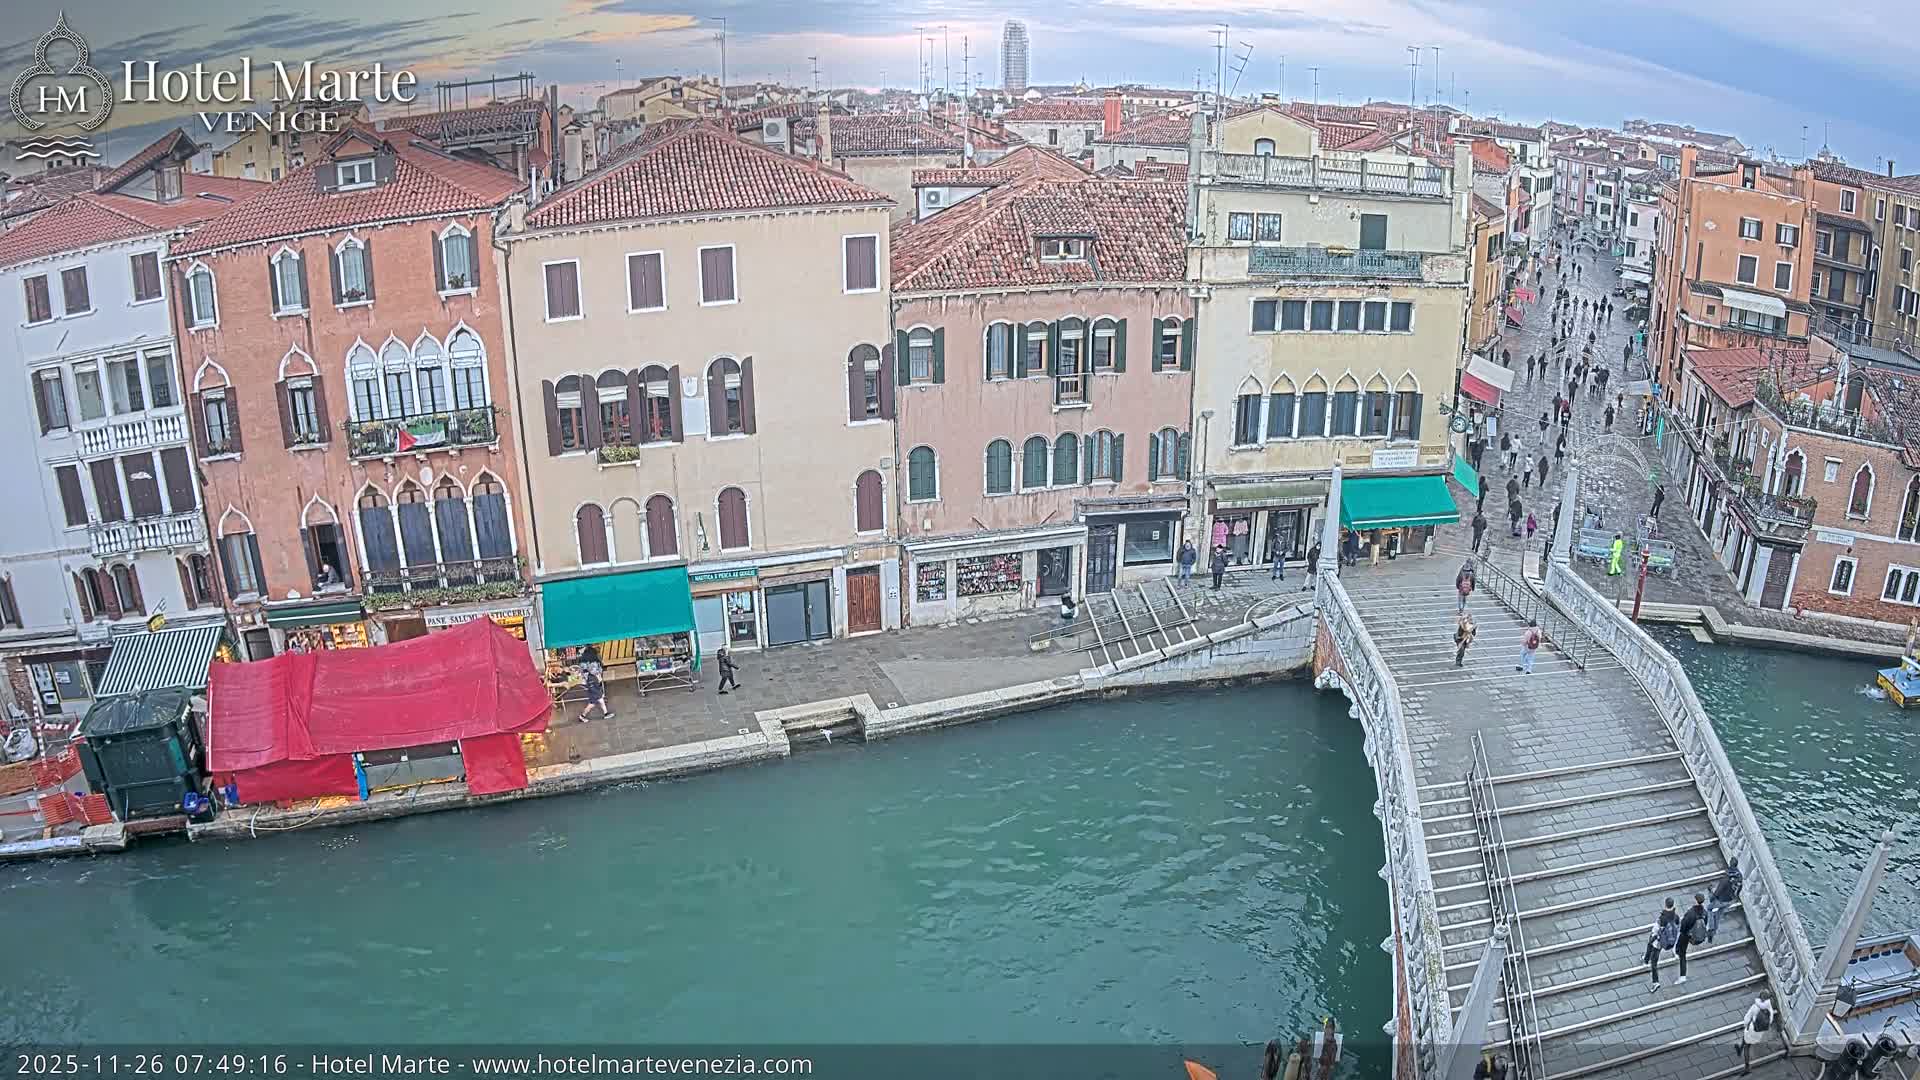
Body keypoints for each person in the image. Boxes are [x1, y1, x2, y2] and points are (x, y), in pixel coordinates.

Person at [1647, 897, 1681, 991]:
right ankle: (1646, 958)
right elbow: (1677, 929)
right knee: (1650, 947)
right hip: (1669, 941)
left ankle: (1655, 982)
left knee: (1654, 962)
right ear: (1673, 905)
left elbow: (1655, 930)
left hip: (1659, 942)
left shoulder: (1662, 918)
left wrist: (1653, 937)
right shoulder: (1676, 917)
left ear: (1665, 904)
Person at [1707, 858, 1743, 944]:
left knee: (1709, 909)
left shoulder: (1726, 879)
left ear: (1730, 863)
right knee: (1718, 915)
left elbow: (1718, 892)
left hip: (1721, 900)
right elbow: (1740, 887)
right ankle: (1712, 932)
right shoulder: (1739, 876)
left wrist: (1711, 894)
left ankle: (1711, 929)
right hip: (1730, 900)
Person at [1676, 893, 1708, 984]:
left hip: (1686, 935)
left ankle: (1683, 975)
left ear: (1695, 900)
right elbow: (1705, 923)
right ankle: (1677, 952)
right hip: (1694, 936)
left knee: (1682, 953)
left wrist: (1683, 932)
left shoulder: (1691, 913)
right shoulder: (1704, 912)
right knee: (1681, 949)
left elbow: (1684, 925)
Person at [1736, 995, 1772, 1074]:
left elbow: (1747, 1017)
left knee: (1747, 1046)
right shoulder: (1769, 1009)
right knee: (1746, 1041)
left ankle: (1747, 1067)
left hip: (1751, 1030)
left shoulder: (1755, 1007)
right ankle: (1739, 1049)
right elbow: (1770, 1021)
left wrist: (1746, 1025)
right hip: (1759, 1033)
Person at [578, 644, 611, 721]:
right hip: (593, 680)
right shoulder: (593, 660)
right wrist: (599, 673)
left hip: (589, 681)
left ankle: (606, 713)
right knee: (595, 700)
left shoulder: (583, 660)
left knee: (598, 698)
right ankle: (583, 716)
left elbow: (582, 671)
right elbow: (595, 671)